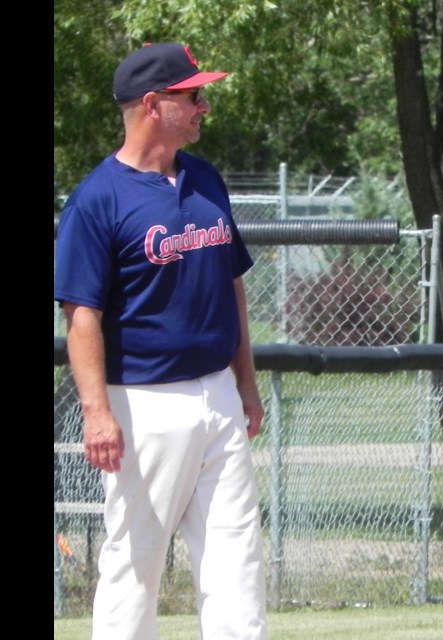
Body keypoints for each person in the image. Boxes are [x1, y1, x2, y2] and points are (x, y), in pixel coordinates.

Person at [53, 42, 267, 639]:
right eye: (193, 95)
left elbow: (232, 286)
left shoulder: (205, 179)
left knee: (236, 556)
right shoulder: (98, 199)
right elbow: (82, 317)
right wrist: (97, 414)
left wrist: (245, 385)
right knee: (134, 563)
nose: (204, 106)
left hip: (217, 394)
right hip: (144, 402)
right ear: (153, 104)